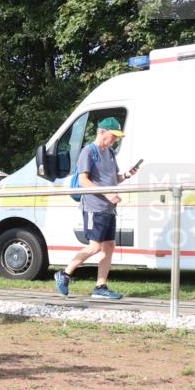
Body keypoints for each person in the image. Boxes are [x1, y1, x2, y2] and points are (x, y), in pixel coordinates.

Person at [54, 117, 140, 300]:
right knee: (95, 247)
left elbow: (113, 178)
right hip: (94, 206)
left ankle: (100, 287)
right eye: (113, 136)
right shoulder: (88, 151)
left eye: (117, 137)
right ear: (101, 132)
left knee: (109, 246)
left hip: (109, 208)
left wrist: (126, 174)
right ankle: (65, 274)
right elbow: (84, 180)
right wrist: (108, 194)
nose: (115, 140)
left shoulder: (109, 153)